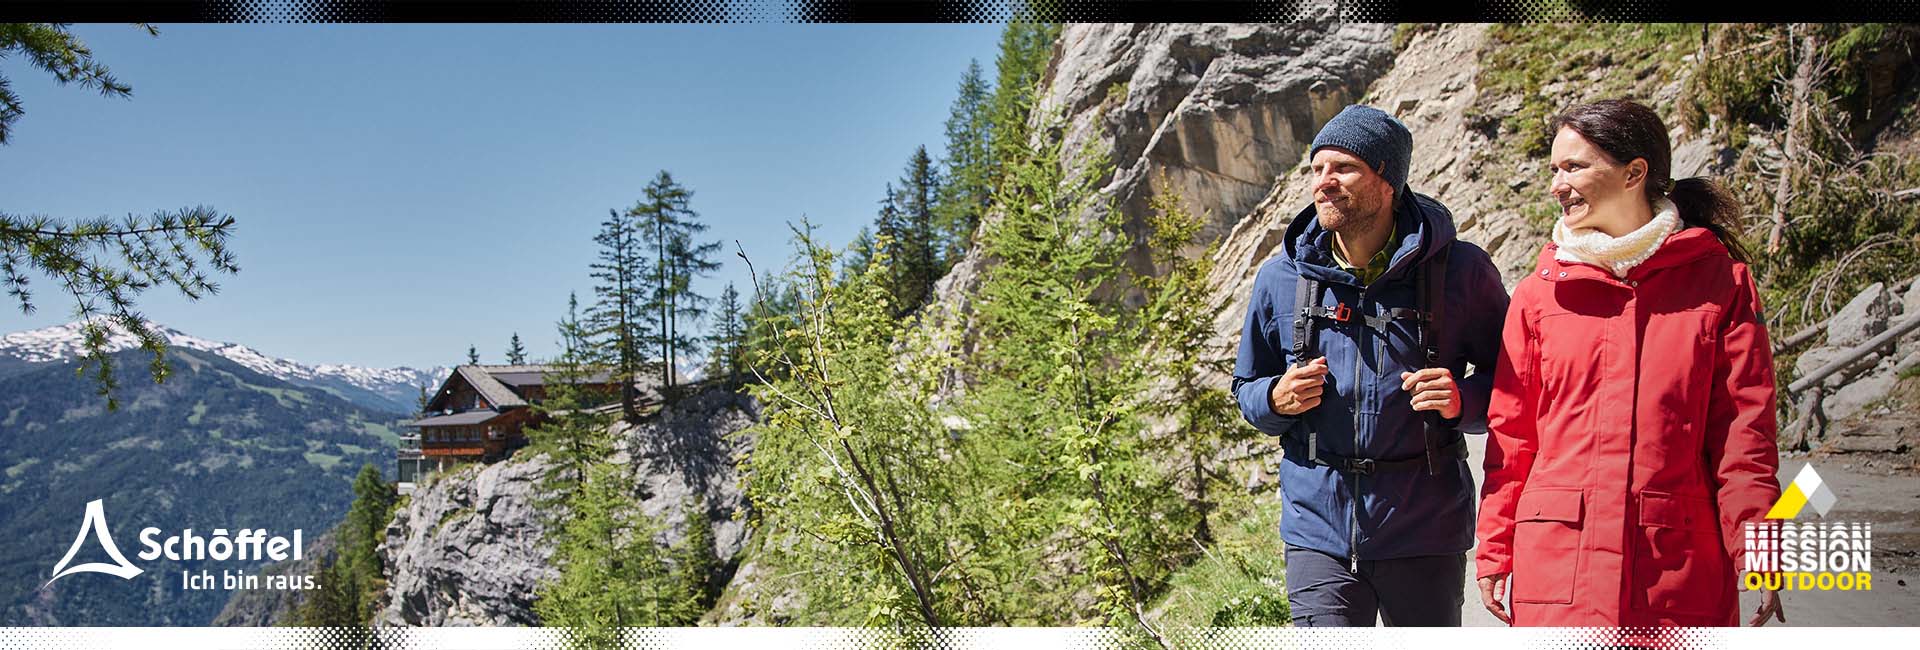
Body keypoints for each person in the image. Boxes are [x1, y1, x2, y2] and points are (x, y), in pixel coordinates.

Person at [1475, 99, 1786, 627]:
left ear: (1634, 173)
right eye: (1554, 169)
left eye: (1574, 166)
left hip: (1676, 575)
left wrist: (1759, 549)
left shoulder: (1721, 286)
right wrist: (1495, 548)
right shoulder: (1537, 297)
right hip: (1558, 570)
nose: (1557, 183)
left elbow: (1744, 436)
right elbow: (1512, 439)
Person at [1233, 104, 1509, 626]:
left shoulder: (1461, 272)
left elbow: (1518, 386)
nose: (1324, 182)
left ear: (1388, 181)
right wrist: (1274, 399)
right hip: (1318, 531)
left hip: (1425, 529)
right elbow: (1246, 387)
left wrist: (1462, 401)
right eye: (1317, 169)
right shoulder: (1281, 278)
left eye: (1343, 168)